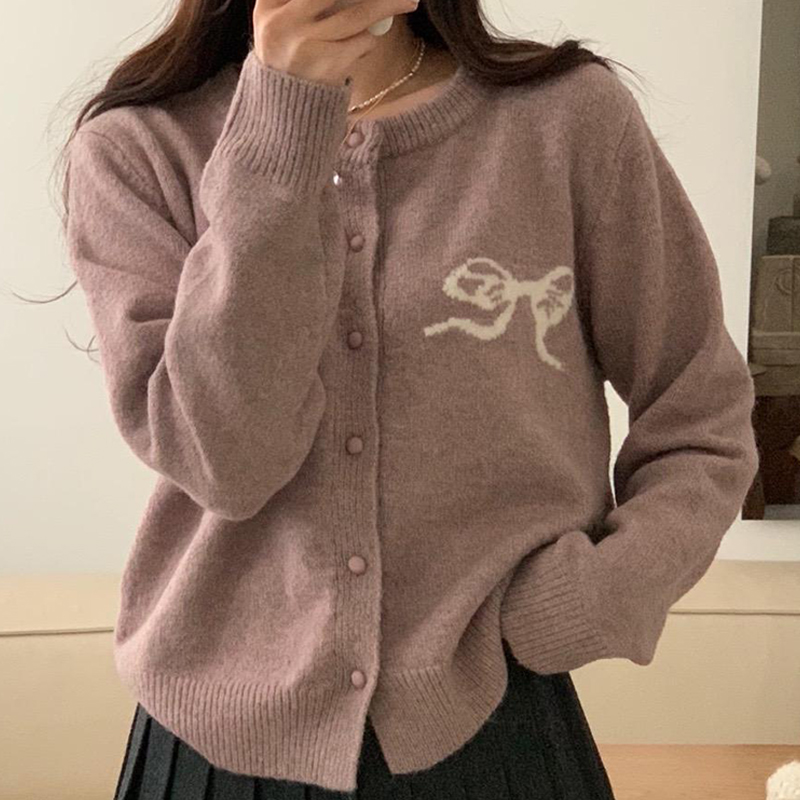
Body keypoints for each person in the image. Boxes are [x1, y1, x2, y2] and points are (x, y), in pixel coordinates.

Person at [59, 0, 760, 797]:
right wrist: (279, 135)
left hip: (500, 730)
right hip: (211, 756)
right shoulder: (138, 148)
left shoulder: (564, 119)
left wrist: (605, 593)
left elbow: (701, 415)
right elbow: (228, 463)